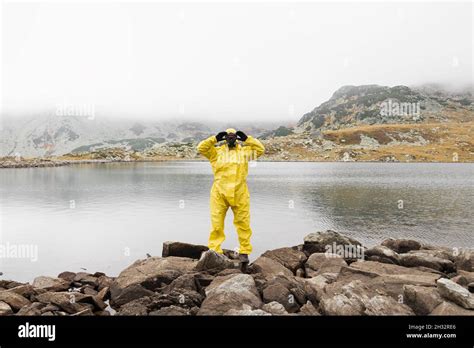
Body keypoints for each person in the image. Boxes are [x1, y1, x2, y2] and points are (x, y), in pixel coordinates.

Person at [197, 128, 265, 271]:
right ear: (224, 138)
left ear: (237, 137)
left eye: (234, 136)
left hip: (240, 193)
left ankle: (244, 251)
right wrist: (214, 138)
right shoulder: (216, 152)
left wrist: (247, 139)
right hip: (219, 193)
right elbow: (201, 148)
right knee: (217, 224)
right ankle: (215, 251)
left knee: (243, 224)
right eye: (228, 136)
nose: (231, 138)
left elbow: (260, 149)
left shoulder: (245, 152)